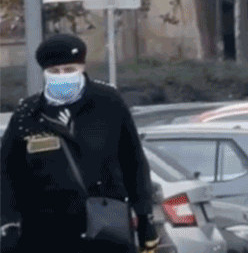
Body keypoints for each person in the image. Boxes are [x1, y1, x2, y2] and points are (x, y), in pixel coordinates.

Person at [0, 34, 159, 253]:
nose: (62, 76)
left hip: (104, 228)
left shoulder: (107, 102)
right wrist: (8, 224)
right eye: (54, 72)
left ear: (82, 67)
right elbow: (7, 172)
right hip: (45, 233)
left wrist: (145, 219)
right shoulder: (29, 113)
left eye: (69, 69)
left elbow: (133, 162)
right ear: (45, 73)